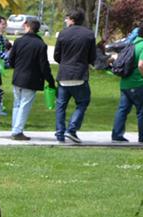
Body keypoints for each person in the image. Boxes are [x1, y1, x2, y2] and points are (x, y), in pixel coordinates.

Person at [9, 18, 56, 141]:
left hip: (17, 77)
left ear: (28, 27)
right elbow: (44, 66)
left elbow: (11, 60)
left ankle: (15, 128)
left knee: (17, 104)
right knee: (24, 105)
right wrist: (50, 81)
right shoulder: (40, 45)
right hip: (31, 79)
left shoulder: (18, 41)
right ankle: (17, 131)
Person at [54, 9, 96, 143]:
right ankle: (71, 129)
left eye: (67, 19)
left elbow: (56, 55)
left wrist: (65, 63)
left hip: (64, 74)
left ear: (72, 20)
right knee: (83, 102)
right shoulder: (89, 34)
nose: (66, 21)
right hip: (80, 74)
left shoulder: (63, 33)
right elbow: (92, 56)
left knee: (61, 105)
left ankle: (60, 133)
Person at [112, 23, 143, 143]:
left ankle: (117, 135)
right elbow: (141, 64)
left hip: (125, 83)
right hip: (138, 83)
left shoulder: (132, 43)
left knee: (122, 110)